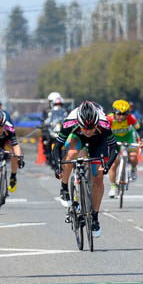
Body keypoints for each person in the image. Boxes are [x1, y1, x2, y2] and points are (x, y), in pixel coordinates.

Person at [53, 101, 118, 238]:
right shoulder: (70, 121)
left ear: (96, 123)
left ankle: (94, 217)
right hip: (77, 137)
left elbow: (114, 149)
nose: (88, 131)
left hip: (98, 141)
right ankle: (64, 188)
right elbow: (57, 146)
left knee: (98, 176)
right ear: (79, 122)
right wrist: (58, 164)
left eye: (91, 128)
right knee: (71, 154)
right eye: (85, 128)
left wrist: (107, 166)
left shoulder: (103, 123)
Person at [106, 99, 143, 198]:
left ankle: (134, 168)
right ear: (114, 113)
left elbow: (139, 130)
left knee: (133, 157)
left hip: (129, 138)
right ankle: (113, 187)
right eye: (119, 114)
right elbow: (103, 133)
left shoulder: (131, 118)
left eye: (124, 114)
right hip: (114, 139)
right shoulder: (108, 119)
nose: (122, 117)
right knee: (114, 163)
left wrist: (142, 140)